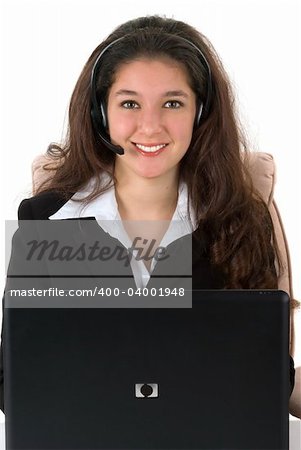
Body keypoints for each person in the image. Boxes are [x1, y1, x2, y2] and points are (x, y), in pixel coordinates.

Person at [0, 15, 299, 415]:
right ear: (99, 112)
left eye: (172, 103)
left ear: (201, 112)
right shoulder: (49, 220)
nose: (151, 125)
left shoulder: (240, 219)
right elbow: (13, 381)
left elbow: (271, 375)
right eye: (129, 103)